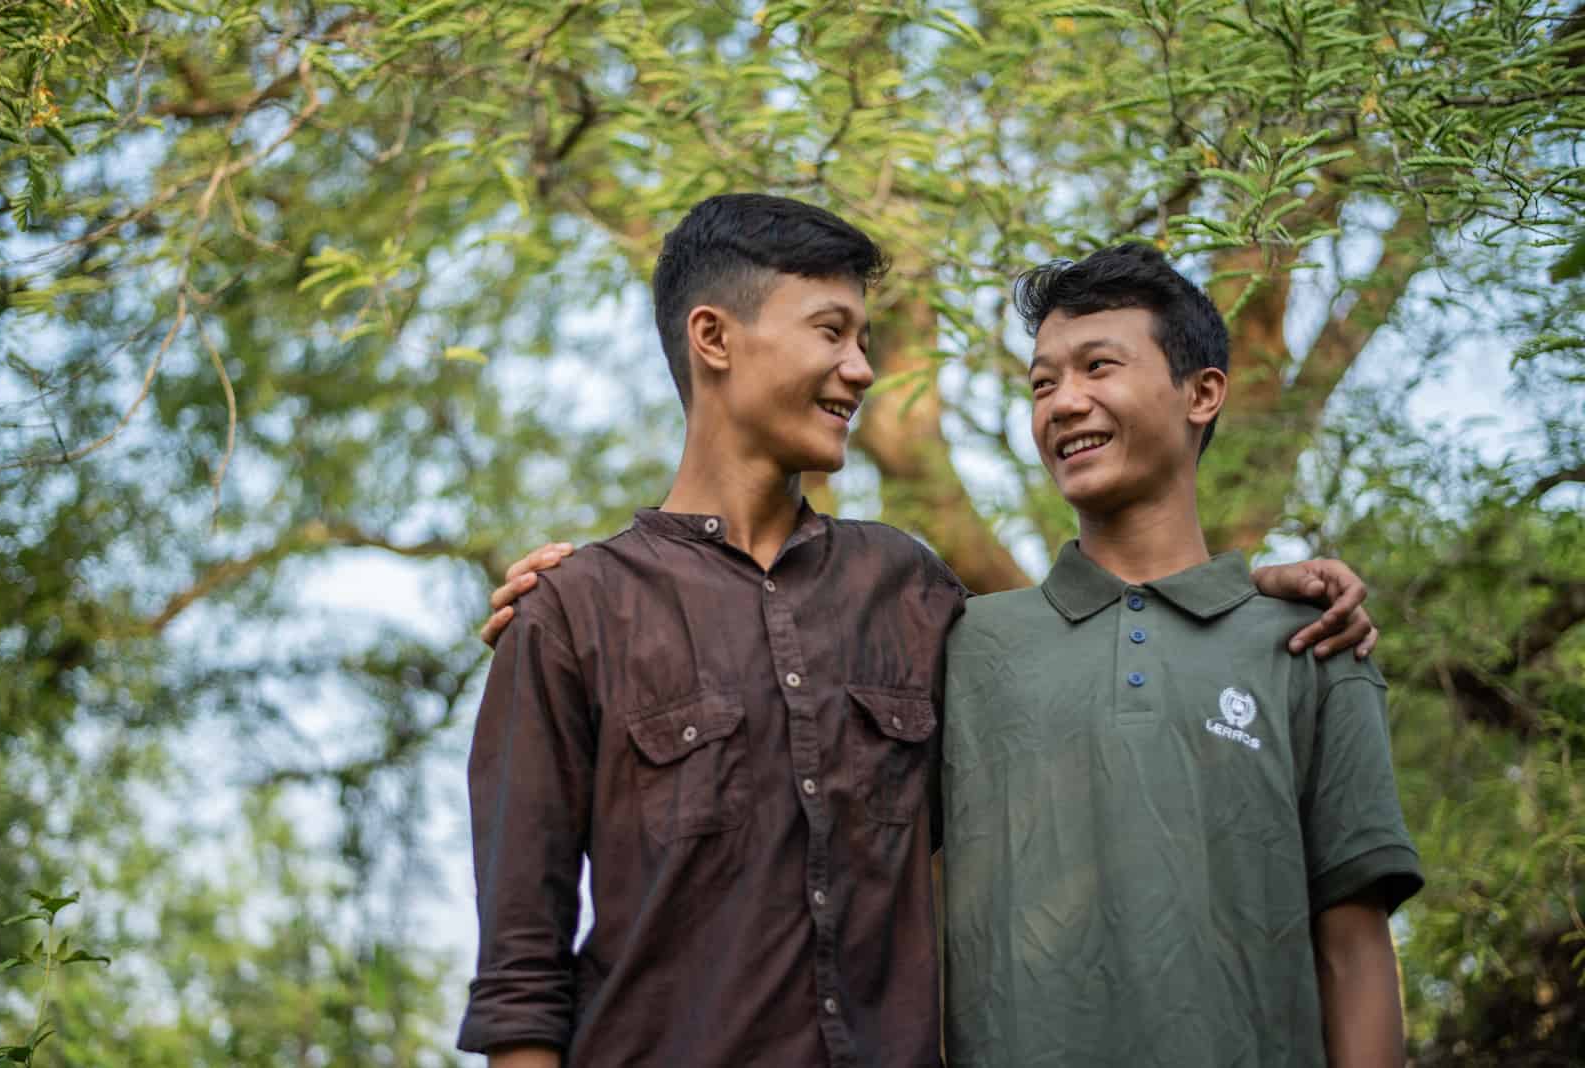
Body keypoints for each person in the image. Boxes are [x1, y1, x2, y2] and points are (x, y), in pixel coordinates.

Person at [465, 194, 1378, 1068]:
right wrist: (558, 604)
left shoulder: (909, 592)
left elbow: (1102, 644)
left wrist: (1245, 595)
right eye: (832, 332)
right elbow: (520, 973)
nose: (862, 368)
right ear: (714, 338)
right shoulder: (573, 612)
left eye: (864, 338)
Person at [940, 245, 1422, 1067]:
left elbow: (1354, 947)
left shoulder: (1310, 644)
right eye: (1043, 382)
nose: (1064, 403)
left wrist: (1254, 595)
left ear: (1201, 393)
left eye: (1098, 366)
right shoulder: (963, 644)